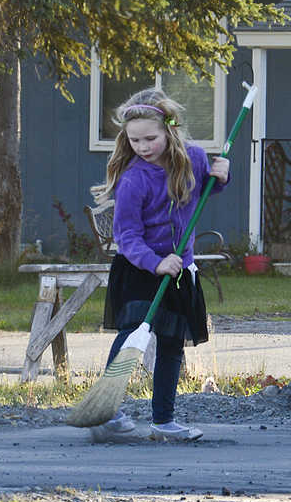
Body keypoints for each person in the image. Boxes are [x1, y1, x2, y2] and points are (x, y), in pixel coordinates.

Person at [89, 87, 230, 442]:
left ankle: (163, 421)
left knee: (171, 343)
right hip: (140, 269)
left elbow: (200, 190)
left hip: (180, 269)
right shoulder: (133, 179)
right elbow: (127, 236)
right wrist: (155, 263)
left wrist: (222, 176)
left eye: (150, 138)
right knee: (131, 336)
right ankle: (107, 413)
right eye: (134, 141)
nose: (143, 147)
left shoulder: (193, 158)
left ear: (169, 130)